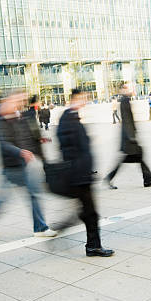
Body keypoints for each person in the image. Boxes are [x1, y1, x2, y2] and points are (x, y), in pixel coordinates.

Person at [0, 91, 56, 238]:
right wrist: (20, 152)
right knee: (3, 199)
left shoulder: (19, 117)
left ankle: (40, 228)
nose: (19, 103)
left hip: (25, 165)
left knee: (34, 194)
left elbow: (28, 137)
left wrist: (39, 143)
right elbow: (3, 143)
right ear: (6, 101)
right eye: (16, 100)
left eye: (21, 100)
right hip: (10, 167)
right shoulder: (1, 120)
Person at [58, 89, 114, 257]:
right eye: (82, 98)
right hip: (79, 176)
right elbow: (67, 148)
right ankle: (93, 246)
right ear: (74, 99)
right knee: (90, 213)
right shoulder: (68, 119)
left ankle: (63, 229)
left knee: (85, 212)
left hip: (81, 174)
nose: (85, 101)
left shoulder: (72, 117)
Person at [105, 84, 151, 190]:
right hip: (129, 138)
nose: (129, 90)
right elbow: (126, 119)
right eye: (126, 88)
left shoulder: (125, 100)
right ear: (122, 90)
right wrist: (131, 136)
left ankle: (147, 180)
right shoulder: (124, 101)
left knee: (134, 159)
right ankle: (148, 181)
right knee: (138, 158)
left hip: (128, 137)